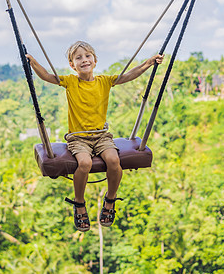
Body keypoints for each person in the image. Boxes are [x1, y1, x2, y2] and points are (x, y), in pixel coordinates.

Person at [26, 41, 164, 232]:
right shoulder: (71, 81)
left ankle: (110, 199)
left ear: (95, 60)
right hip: (78, 138)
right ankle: (79, 202)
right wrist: (32, 62)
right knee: (84, 163)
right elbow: (48, 77)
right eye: (78, 58)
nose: (84, 60)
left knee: (114, 161)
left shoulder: (105, 81)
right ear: (73, 65)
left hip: (101, 136)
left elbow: (128, 76)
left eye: (87, 56)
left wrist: (148, 63)